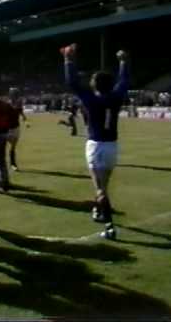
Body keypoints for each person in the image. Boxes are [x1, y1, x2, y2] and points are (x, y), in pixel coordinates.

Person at [61, 43, 129, 240]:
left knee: (100, 188)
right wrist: (124, 62)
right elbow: (124, 81)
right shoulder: (116, 97)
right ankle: (98, 211)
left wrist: (68, 60)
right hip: (112, 146)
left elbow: (72, 82)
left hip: (96, 145)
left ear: (95, 84)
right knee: (103, 186)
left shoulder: (90, 98)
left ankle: (109, 226)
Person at [7, 87, 29, 171]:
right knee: (4, 145)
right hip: (7, 128)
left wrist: (26, 121)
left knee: (13, 146)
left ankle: (13, 164)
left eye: (15, 94)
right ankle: (3, 163)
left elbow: (21, 113)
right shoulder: (7, 104)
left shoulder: (19, 104)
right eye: (13, 93)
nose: (14, 95)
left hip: (16, 127)